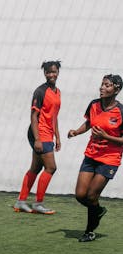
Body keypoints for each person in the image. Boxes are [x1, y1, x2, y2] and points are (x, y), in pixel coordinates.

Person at [67, 74, 123, 242]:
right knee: (80, 195)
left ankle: (89, 231)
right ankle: (98, 210)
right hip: (91, 155)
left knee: (91, 196)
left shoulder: (121, 111)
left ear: (116, 89)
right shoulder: (93, 104)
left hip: (110, 158)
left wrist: (107, 136)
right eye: (102, 84)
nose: (102, 88)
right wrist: (76, 132)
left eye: (107, 85)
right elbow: (89, 123)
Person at [14, 60, 62, 215]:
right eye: (48, 72)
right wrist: (37, 139)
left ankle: (21, 202)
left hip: (49, 133)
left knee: (36, 167)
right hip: (39, 133)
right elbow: (34, 116)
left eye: (54, 71)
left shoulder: (58, 92)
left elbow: (54, 116)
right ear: (44, 73)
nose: (51, 74)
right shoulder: (40, 91)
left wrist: (58, 137)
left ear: (58, 72)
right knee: (51, 167)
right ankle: (38, 204)